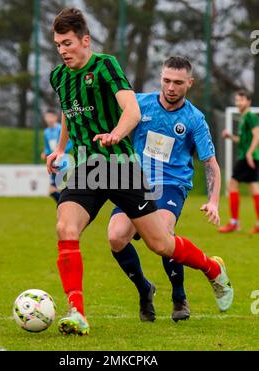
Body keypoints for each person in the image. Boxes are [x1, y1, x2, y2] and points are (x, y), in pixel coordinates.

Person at [47, 7, 233, 336]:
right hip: (88, 168)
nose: (62, 51)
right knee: (66, 227)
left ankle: (210, 266)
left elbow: (131, 109)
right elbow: (68, 112)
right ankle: (77, 311)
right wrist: (61, 149)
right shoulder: (59, 77)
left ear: (85, 41)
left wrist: (116, 134)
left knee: (161, 243)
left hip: (121, 168)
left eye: (68, 43)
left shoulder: (106, 66)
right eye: (58, 44)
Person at [108, 56, 220, 323]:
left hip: (171, 184)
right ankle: (145, 290)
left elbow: (210, 163)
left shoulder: (194, 119)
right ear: (161, 78)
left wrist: (213, 201)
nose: (171, 87)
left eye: (178, 82)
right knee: (115, 238)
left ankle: (179, 296)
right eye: (166, 80)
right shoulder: (139, 105)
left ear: (189, 83)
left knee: (163, 236)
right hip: (135, 182)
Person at [219, 90, 259, 233]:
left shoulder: (250, 116)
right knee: (254, 188)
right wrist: (230, 137)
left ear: (248, 101)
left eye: (241, 100)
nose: (238, 103)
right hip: (251, 157)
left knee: (232, 185)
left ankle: (234, 223)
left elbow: (257, 135)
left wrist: (249, 153)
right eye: (237, 100)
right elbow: (243, 140)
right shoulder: (244, 117)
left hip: (247, 157)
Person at [41, 110, 73, 203]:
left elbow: (69, 142)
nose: (49, 119)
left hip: (63, 161)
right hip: (54, 162)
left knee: (61, 189)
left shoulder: (60, 128)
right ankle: (64, 206)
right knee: (52, 191)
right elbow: (47, 146)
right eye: (47, 117)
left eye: (51, 117)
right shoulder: (46, 132)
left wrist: (60, 152)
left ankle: (66, 207)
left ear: (55, 117)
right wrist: (46, 153)